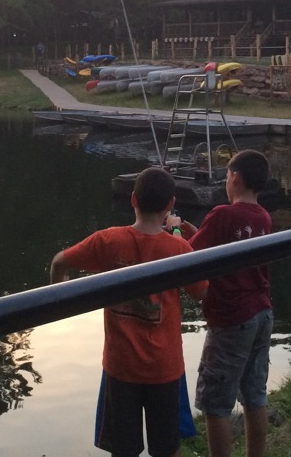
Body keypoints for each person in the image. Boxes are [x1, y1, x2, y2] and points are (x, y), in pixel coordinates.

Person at [50, 167, 207, 457]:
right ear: (171, 204)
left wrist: (61, 296)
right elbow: (201, 293)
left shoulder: (107, 241)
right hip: (165, 368)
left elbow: (60, 262)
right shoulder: (180, 249)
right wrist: (179, 235)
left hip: (121, 368)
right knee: (168, 448)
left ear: (133, 199)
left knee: (123, 449)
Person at [167, 149, 273, 457]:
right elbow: (221, 246)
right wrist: (193, 232)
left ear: (235, 178)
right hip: (262, 312)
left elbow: (185, 256)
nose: (226, 181)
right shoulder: (263, 216)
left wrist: (174, 229)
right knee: (255, 395)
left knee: (216, 404)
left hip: (230, 319)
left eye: (227, 176)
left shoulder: (223, 215)